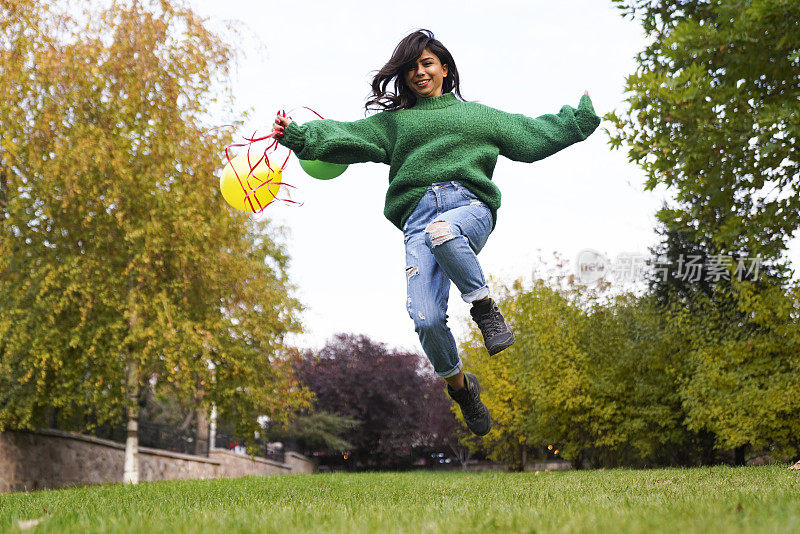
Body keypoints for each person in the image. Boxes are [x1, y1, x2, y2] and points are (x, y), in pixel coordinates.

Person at [273, 29, 601, 436]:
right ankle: (463, 390)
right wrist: (298, 135)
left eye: (426, 64)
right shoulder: (396, 125)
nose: (419, 73)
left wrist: (579, 120)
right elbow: (350, 135)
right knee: (426, 319)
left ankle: (485, 310)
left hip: (470, 211)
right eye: (411, 68)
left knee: (443, 231)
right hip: (416, 223)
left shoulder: (477, 116)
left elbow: (531, 136)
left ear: (445, 69)